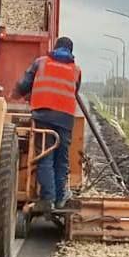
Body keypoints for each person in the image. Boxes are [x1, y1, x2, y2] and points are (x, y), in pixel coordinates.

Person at [15, 36, 81, 213]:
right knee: (61, 160)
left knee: (45, 157)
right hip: (66, 119)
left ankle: (48, 200)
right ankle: (60, 200)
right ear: (71, 52)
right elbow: (74, 90)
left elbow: (23, 85)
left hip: (43, 116)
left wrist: (15, 96)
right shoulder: (76, 70)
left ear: (55, 47)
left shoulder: (41, 62)